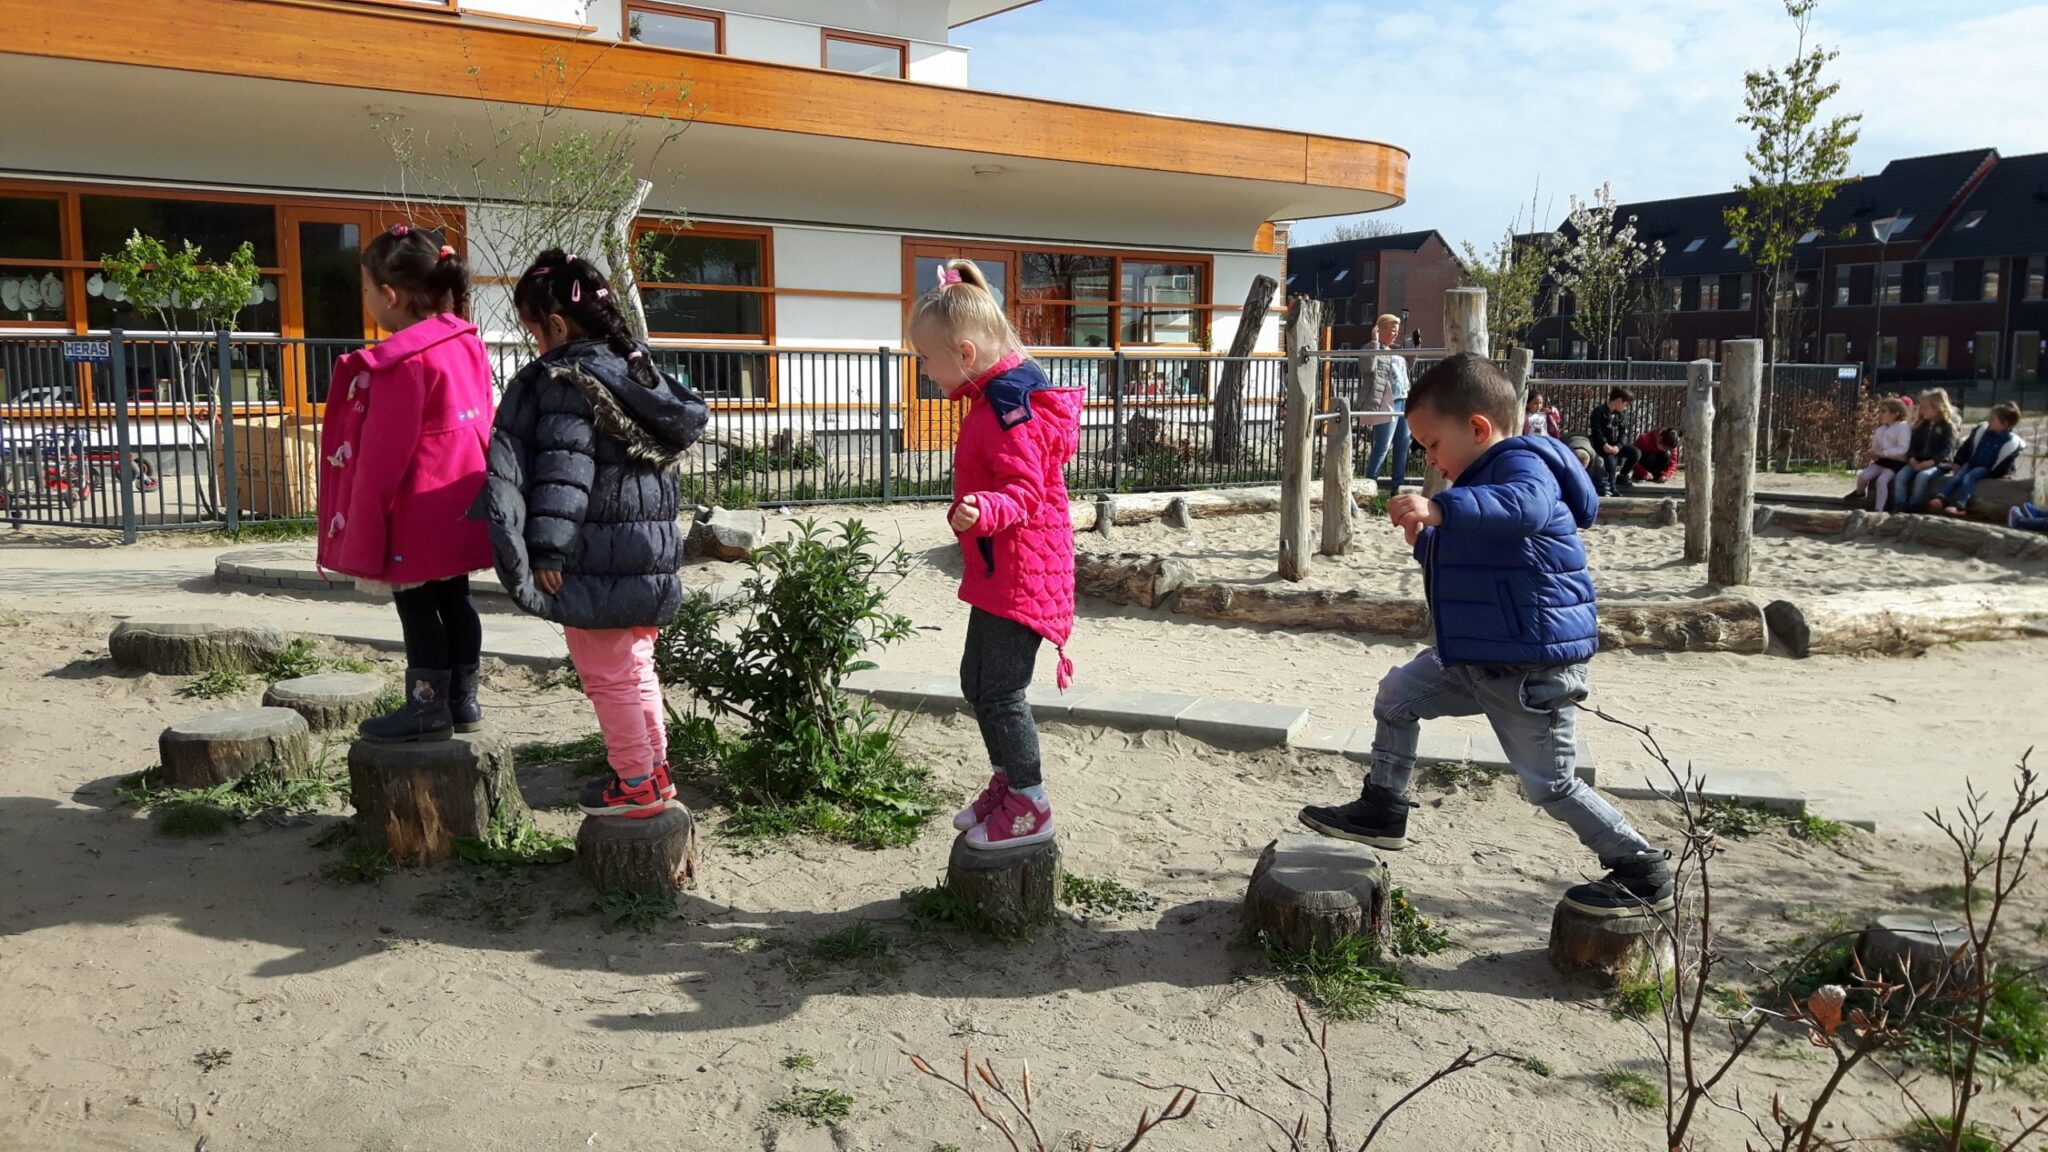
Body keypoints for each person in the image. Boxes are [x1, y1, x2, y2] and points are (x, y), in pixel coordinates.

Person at [1297, 353, 1674, 918]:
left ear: (1477, 429)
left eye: (1431, 445)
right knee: (1397, 696)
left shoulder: (1526, 467)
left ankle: (1640, 867)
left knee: (1551, 785)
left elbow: (1521, 509)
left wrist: (1441, 510)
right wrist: (1422, 539)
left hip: (1530, 668)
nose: (1431, 460)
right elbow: (1473, 555)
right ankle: (1383, 807)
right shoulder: (1477, 489)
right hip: (1476, 658)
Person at [473, 251, 709, 819]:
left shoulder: (568, 380)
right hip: (644, 552)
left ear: (555, 326)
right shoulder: (631, 369)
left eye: (532, 331)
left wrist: (548, 548)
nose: (534, 344)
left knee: (608, 676)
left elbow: (564, 469)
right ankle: (652, 771)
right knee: (634, 668)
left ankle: (634, 781)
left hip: (596, 551)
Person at [916, 260, 1084, 851]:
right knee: (975, 681)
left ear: (963, 352)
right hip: (1000, 570)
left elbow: (1026, 490)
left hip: (1023, 573)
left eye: (926, 360)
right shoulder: (990, 399)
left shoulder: (1012, 407)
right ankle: (1009, 782)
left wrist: (983, 509)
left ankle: (1031, 802)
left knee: (1003, 690)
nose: (924, 371)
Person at [317, 224, 493, 743]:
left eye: (367, 289)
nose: (367, 299)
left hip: (415, 505)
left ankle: (425, 708)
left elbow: (381, 458)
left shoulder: (402, 362)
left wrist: (364, 522)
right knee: (456, 598)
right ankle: (463, 699)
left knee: (416, 606)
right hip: (462, 497)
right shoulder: (466, 343)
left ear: (390, 296)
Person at [1929, 402, 2025, 517]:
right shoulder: (1984, 432)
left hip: (1985, 468)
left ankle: (1960, 505)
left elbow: (2007, 460)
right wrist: (1958, 461)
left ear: (2004, 424)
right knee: (1958, 476)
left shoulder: (2009, 441)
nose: (1989, 421)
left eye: (1993, 419)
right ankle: (1940, 497)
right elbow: (1967, 447)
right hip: (1972, 462)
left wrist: (2009, 473)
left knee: (1969, 477)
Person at [1360, 314, 1412, 491]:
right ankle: (1370, 483)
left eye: (1396, 330)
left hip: (1404, 399)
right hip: (1386, 402)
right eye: (1390, 329)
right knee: (1382, 445)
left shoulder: (1397, 350)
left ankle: (1398, 484)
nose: (1394, 333)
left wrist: (1415, 350)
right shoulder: (1370, 348)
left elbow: (1406, 370)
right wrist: (1374, 342)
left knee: (1403, 444)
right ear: (1378, 329)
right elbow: (1368, 369)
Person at [1892, 388, 1961, 512]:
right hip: (1918, 460)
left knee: (1922, 477)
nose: (1922, 410)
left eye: (1925, 407)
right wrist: (1912, 458)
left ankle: (1915, 504)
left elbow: (1947, 450)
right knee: (1901, 476)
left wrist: (1929, 462)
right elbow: (1913, 444)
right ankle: (1900, 504)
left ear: (1937, 408)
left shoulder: (1947, 427)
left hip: (1937, 463)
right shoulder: (1922, 425)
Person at [1845, 398, 1911, 510]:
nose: (1880, 414)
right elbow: (1876, 447)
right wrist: (1870, 453)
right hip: (1882, 460)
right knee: (1863, 476)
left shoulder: (1903, 427)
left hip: (1896, 462)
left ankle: (1878, 509)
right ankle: (1860, 492)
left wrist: (1883, 453)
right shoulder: (1881, 430)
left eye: (1884, 411)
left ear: (1895, 414)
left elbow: (1903, 448)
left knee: (1882, 480)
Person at [1586, 387, 1640, 496]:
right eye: (1626, 404)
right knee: (1610, 461)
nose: (1626, 408)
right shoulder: (1599, 411)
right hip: (1601, 445)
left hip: (1615, 445)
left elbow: (1623, 433)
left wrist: (1619, 446)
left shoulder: (1621, 415)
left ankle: (1623, 476)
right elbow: (1596, 431)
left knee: (1636, 452)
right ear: (1619, 401)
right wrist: (1604, 444)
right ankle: (1612, 487)